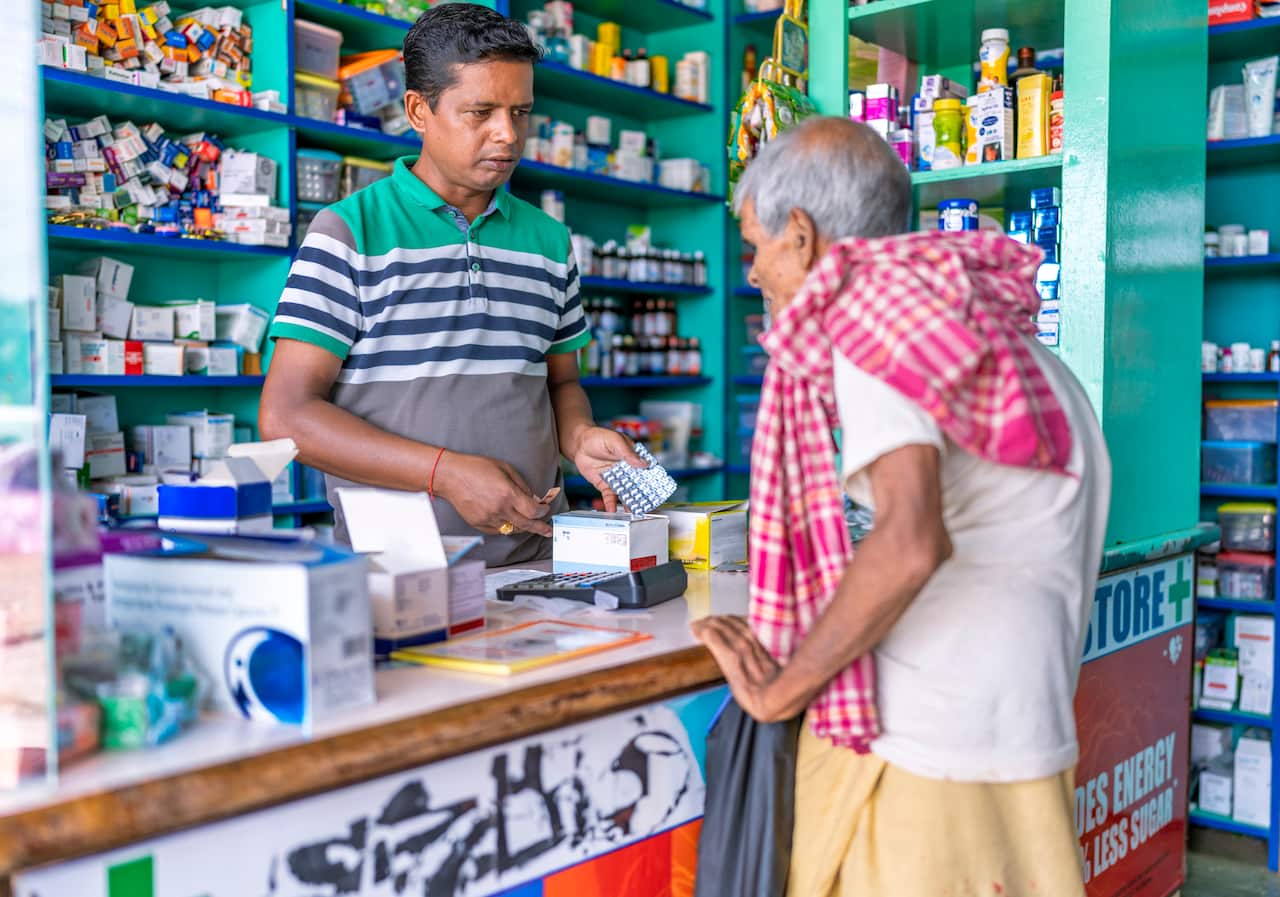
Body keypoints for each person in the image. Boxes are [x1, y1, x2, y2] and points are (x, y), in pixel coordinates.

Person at [693, 117, 1111, 896]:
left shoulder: (879, 335)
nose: (752, 272)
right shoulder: (1011, 345)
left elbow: (911, 541)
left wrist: (781, 690)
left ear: (803, 236)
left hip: (928, 748)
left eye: (755, 246)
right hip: (1022, 730)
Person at [259, 4, 642, 565]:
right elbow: (287, 417)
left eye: (521, 112)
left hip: (537, 566)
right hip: (398, 573)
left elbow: (559, 385)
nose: (507, 135)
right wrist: (446, 474)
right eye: (480, 111)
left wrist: (581, 437)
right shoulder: (349, 232)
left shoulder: (550, 241)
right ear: (419, 110)